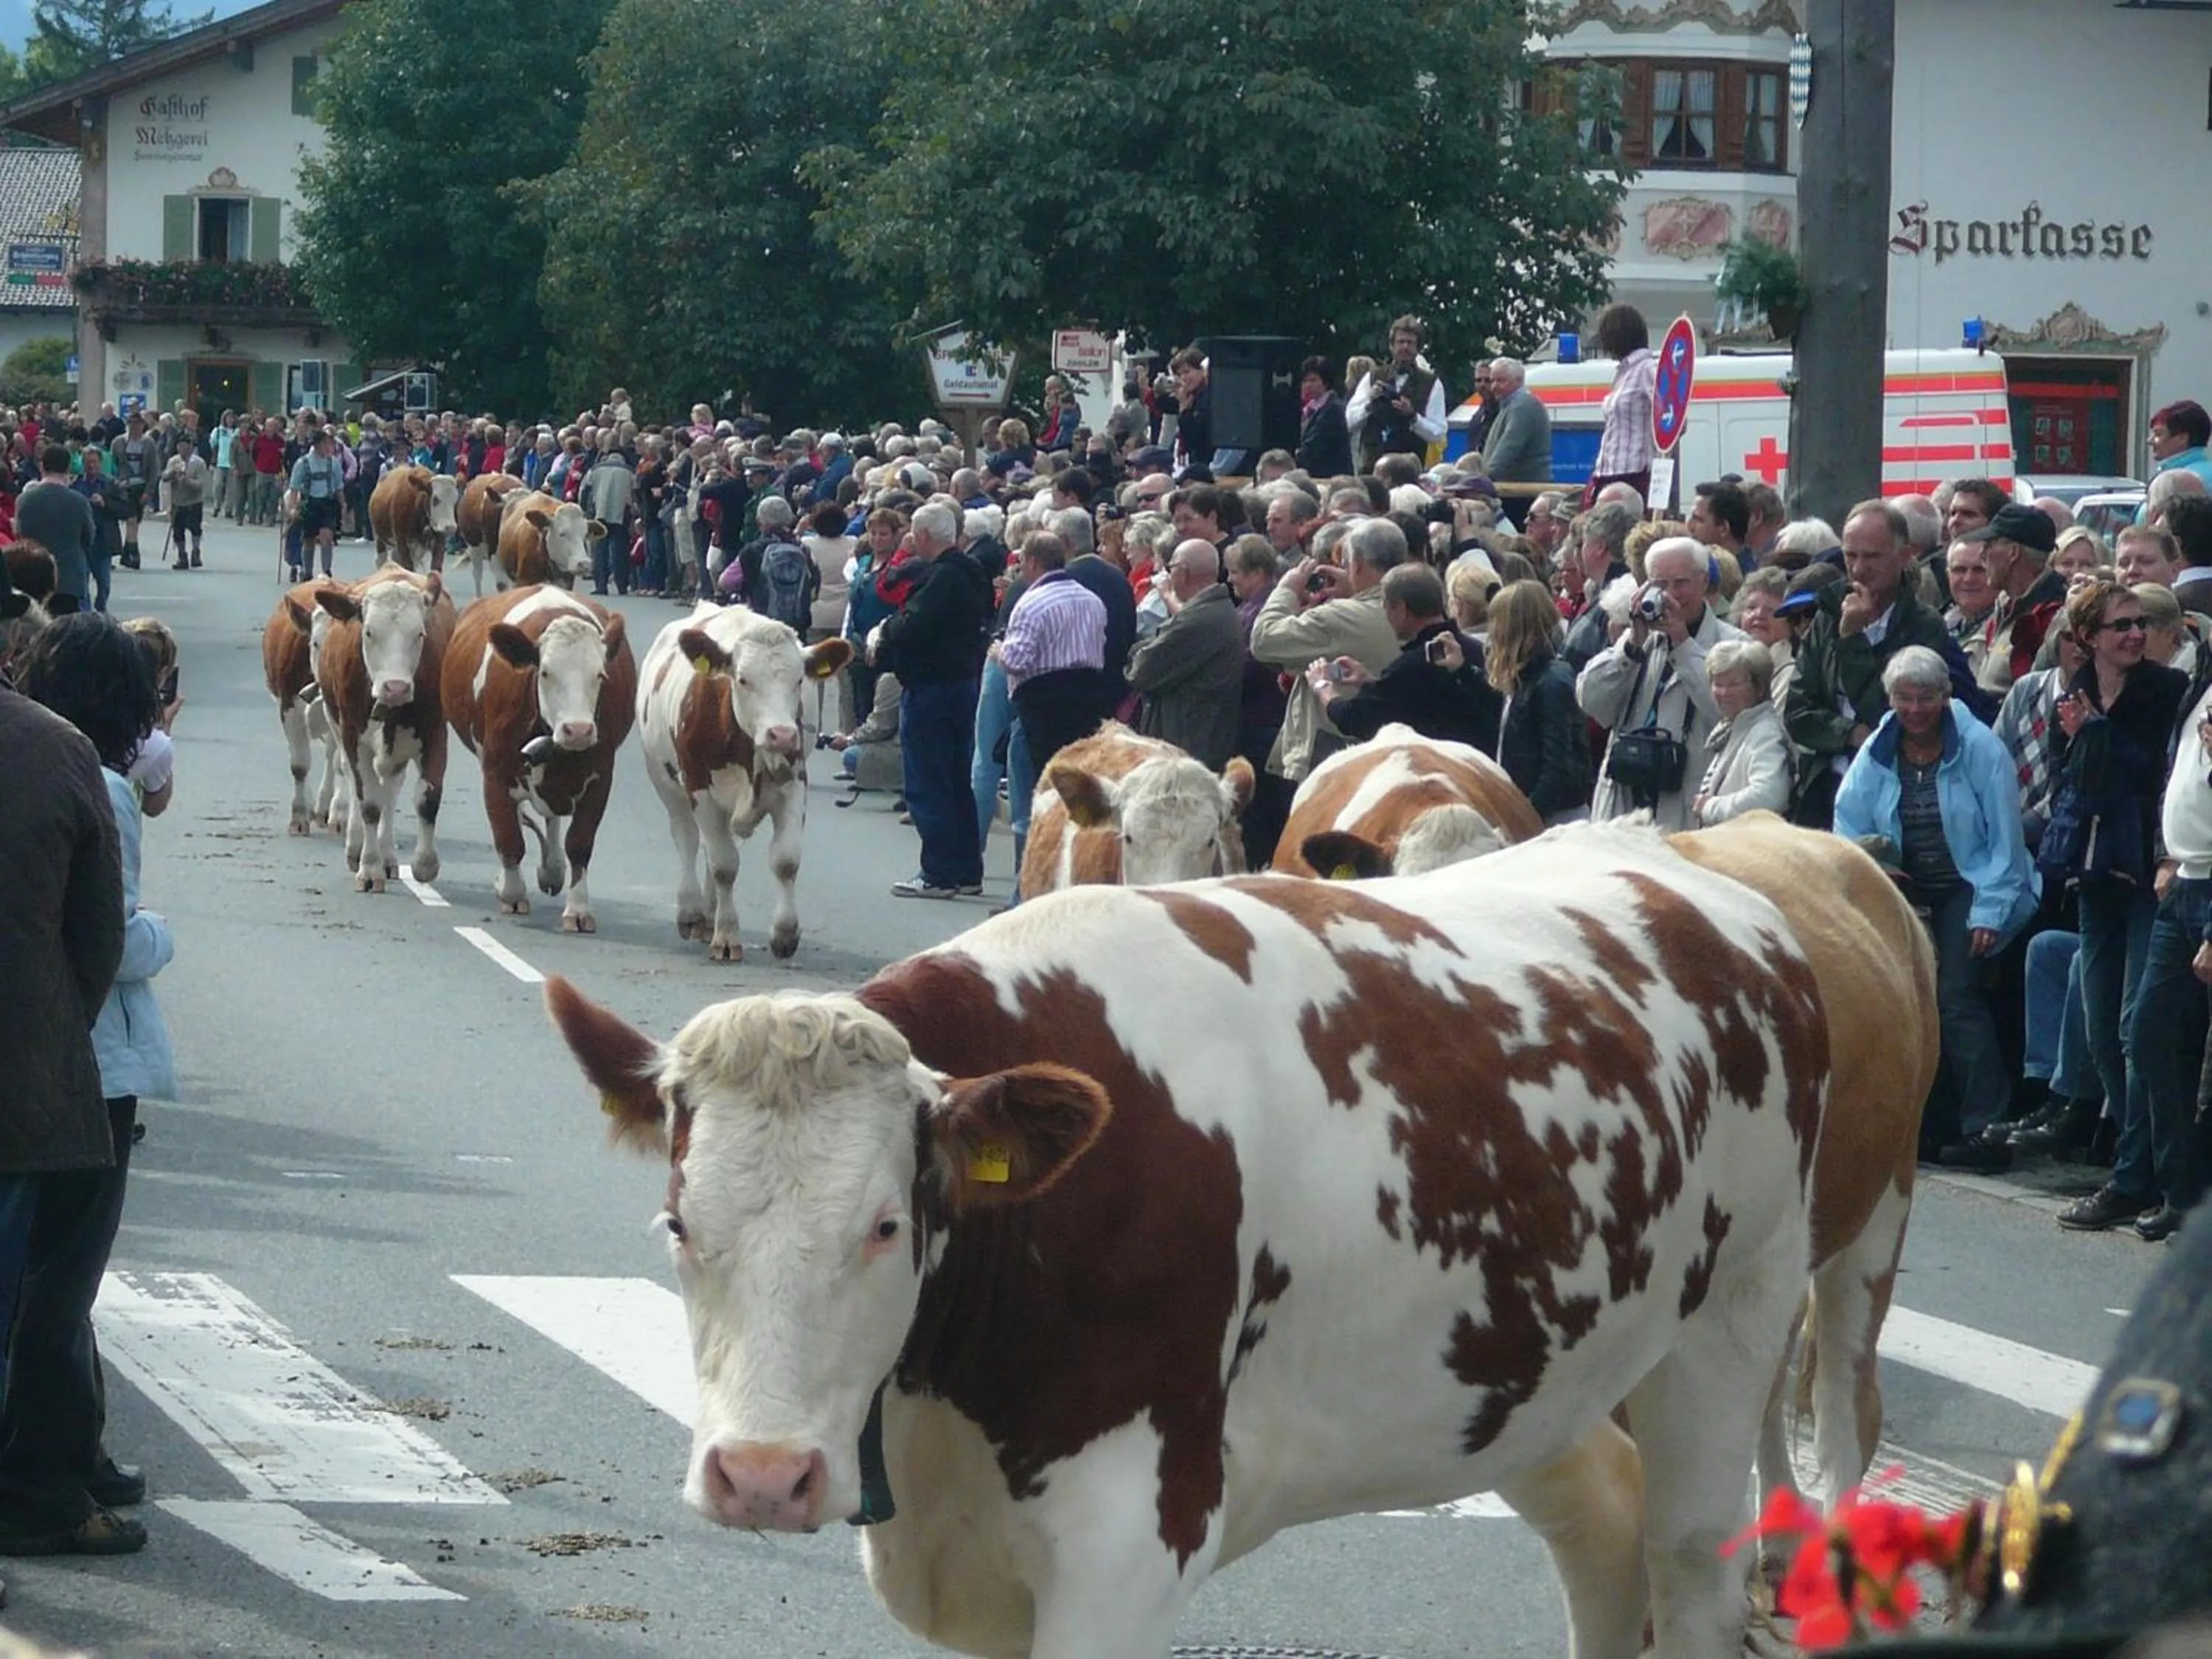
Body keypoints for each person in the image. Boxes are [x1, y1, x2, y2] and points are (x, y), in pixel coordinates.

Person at [1, 613, 162, 1559]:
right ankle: (39, 1485)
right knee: (52, 1287)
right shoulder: (67, 760)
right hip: (44, 1074)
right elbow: (106, 936)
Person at [1834, 645, 2037, 1167]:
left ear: (1945, 697)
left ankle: (1986, 1128)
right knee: (1901, 997)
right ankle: (1921, 1122)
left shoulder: (1980, 748)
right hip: (1908, 883)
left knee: (1956, 998)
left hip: (1971, 882)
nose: (1916, 710)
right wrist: (1877, 867)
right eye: (1905, 699)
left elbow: (2004, 844)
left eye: (1926, 698)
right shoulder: (1880, 746)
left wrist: (1990, 912)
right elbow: (1850, 821)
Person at [2046, 579, 2190, 1233]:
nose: (2134, 635)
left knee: (2137, 1027)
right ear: (2086, 639)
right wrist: (2081, 738)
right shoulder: (2073, 691)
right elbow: (2067, 775)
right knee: (2101, 1028)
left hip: (2143, 874)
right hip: (2095, 874)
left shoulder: (2162, 690)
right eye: (2119, 627)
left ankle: (2137, 1177)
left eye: (2138, 624)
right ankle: (2131, 1162)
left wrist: (2096, 734)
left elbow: (2153, 772)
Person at [1577, 534, 1745, 831]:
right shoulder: (1639, 640)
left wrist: (1683, 643)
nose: (1670, 595)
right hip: (1625, 805)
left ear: (1704, 583)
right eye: (1659, 585)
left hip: (1686, 809)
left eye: (1680, 583)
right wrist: (1630, 646)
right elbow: (1591, 701)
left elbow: (1728, 715)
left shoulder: (1733, 644)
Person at [870, 500, 994, 899]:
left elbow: (914, 626)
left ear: (922, 536)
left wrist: (885, 632)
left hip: (932, 687)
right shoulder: (973, 570)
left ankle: (938, 872)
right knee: (958, 781)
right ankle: (966, 869)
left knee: (929, 781)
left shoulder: (941, 578)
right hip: (963, 683)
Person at [1249, 516, 1405, 787]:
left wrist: (1286, 590)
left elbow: (1264, 640)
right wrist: (1354, 593)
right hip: (1393, 752)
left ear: (1355, 564)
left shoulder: (1341, 617)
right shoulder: (1414, 604)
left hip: (1334, 759)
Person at [1310, 561, 1500, 753]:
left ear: (1401, 610)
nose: (1385, 614)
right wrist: (1368, 681)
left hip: (1441, 770)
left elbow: (1357, 719)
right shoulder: (1477, 650)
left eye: (1385, 606)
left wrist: (1323, 687)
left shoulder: (1411, 666)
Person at [1470, 577, 1587, 823]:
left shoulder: (1551, 681)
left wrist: (1527, 816)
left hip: (1554, 821)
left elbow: (1558, 766)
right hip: (1533, 812)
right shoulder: (1524, 678)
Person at [1126, 537, 1243, 771]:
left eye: (1171, 568)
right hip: (1200, 742)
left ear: (1183, 573)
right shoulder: (1215, 610)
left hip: (1187, 750)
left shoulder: (1199, 619)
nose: (1168, 575)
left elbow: (1141, 672)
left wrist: (1139, 652)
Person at [1690, 639, 1792, 824]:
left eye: (1734, 684)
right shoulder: (1735, 726)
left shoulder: (1765, 732)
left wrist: (1711, 808)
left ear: (1759, 688)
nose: (1723, 693)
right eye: (1718, 684)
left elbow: (1771, 795)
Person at [1346, 316, 1447, 475]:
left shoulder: (1432, 383)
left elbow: (1438, 433)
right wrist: (1369, 405)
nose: (1405, 347)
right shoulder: (1373, 377)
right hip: (1371, 470)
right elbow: (1349, 422)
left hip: (1408, 473)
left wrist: (1413, 416)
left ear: (1418, 348)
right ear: (1391, 346)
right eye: (1401, 342)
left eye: (1410, 343)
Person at [14, 445, 96, 616]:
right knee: (66, 633)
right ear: (67, 468)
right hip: (69, 579)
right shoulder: (79, 502)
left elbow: (19, 536)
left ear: (42, 467)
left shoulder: (25, 500)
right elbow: (89, 538)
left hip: (32, 576)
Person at [1587, 303, 1656, 505]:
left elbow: (1672, 419)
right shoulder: (1622, 373)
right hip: (1607, 470)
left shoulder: (1648, 369)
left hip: (1634, 472)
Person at [71, 448, 128, 616]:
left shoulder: (110, 484)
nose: (91, 466)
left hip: (102, 539)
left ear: (100, 463)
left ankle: (101, 607)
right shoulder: (76, 484)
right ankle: (87, 613)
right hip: (82, 540)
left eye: (94, 462)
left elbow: (124, 510)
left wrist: (105, 503)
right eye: (88, 462)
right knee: (82, 580)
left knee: (103, 581)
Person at [1479, 358, 1552, 486]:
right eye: (1493, 381)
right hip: (1516, 487)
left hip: (1523, 490)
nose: (1494, 386)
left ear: (1519, 380)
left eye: (1501, 380)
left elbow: (1508, 449)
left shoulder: (1523, 406)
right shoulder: (1510, 405)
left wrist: (1481, 482)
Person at [285, 429, 345, 580]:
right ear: (317, 445)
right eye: (325, 443)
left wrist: (343, 505)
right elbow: (294, 488)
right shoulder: (302, 463)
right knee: (309, 539)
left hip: (327, 503)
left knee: (327, 537)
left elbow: (339, 487)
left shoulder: (334, 463)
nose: (328, 446)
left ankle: (326, 571)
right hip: (309, 502)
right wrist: (293, 508)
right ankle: (307, 571)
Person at [1295, 356, 1353, 479]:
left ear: (1326, 382)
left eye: (1313, 380)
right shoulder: (1310, 409)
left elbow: (1312, 448)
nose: (1308, 385)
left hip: (1331, 479)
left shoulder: (1332, 409)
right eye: (1305, 381)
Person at [161, 437, 208, 571]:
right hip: (178, 501)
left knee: (195, 528)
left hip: (194, 501)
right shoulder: (173, 461)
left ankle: (196, 552)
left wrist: (187, 480)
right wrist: (172, 474)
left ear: (191, 447)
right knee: (178, 530)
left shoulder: (198, 463)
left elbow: (200, 484)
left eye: (185, 446)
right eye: (180, 446)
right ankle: (182, 556)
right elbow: (164, 477)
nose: (182, 449)